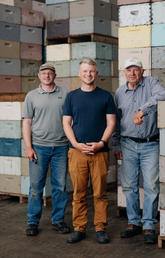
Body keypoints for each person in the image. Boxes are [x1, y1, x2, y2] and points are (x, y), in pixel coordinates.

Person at [63, 57, 116, 244]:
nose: (88, 74)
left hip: (99, 152)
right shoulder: (71, 96)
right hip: (77, 152)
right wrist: (76, 144)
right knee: (79, 192)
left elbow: (111, 122)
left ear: (97, 74)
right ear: (79, 74)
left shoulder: (106, 96)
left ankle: (100, 228)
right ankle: (79, 228)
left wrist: (101, 143)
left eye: (92, 71)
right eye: (85, 71)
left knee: (100, 192)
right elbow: (66, 123)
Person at [113, 58, 165, 244]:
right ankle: (133, 223)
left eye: (136, 70)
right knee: (129, 185)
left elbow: (162, 95)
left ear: (142, 71)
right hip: (127, 144)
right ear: (124, 73)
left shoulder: (151, 83)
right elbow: (116, 122)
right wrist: (117, 145)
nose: (132, 73)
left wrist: (141, 111)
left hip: (150, 143)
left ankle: (149, 225)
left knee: (151, 185)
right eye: (129, 70)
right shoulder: (119, 92)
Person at [22, 63, 70, 236]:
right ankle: (32, 222)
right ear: (39, 76)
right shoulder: (32, 96)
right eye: (44, 73)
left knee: (61, 186)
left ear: (54, 75)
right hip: (38, 147)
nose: (47, 76)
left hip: (61, 147)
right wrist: (28, 146)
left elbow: (71, 119)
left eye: (50, 73)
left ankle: (58, 220)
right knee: (36, 186)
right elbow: (26, 122)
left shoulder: (65, 94)